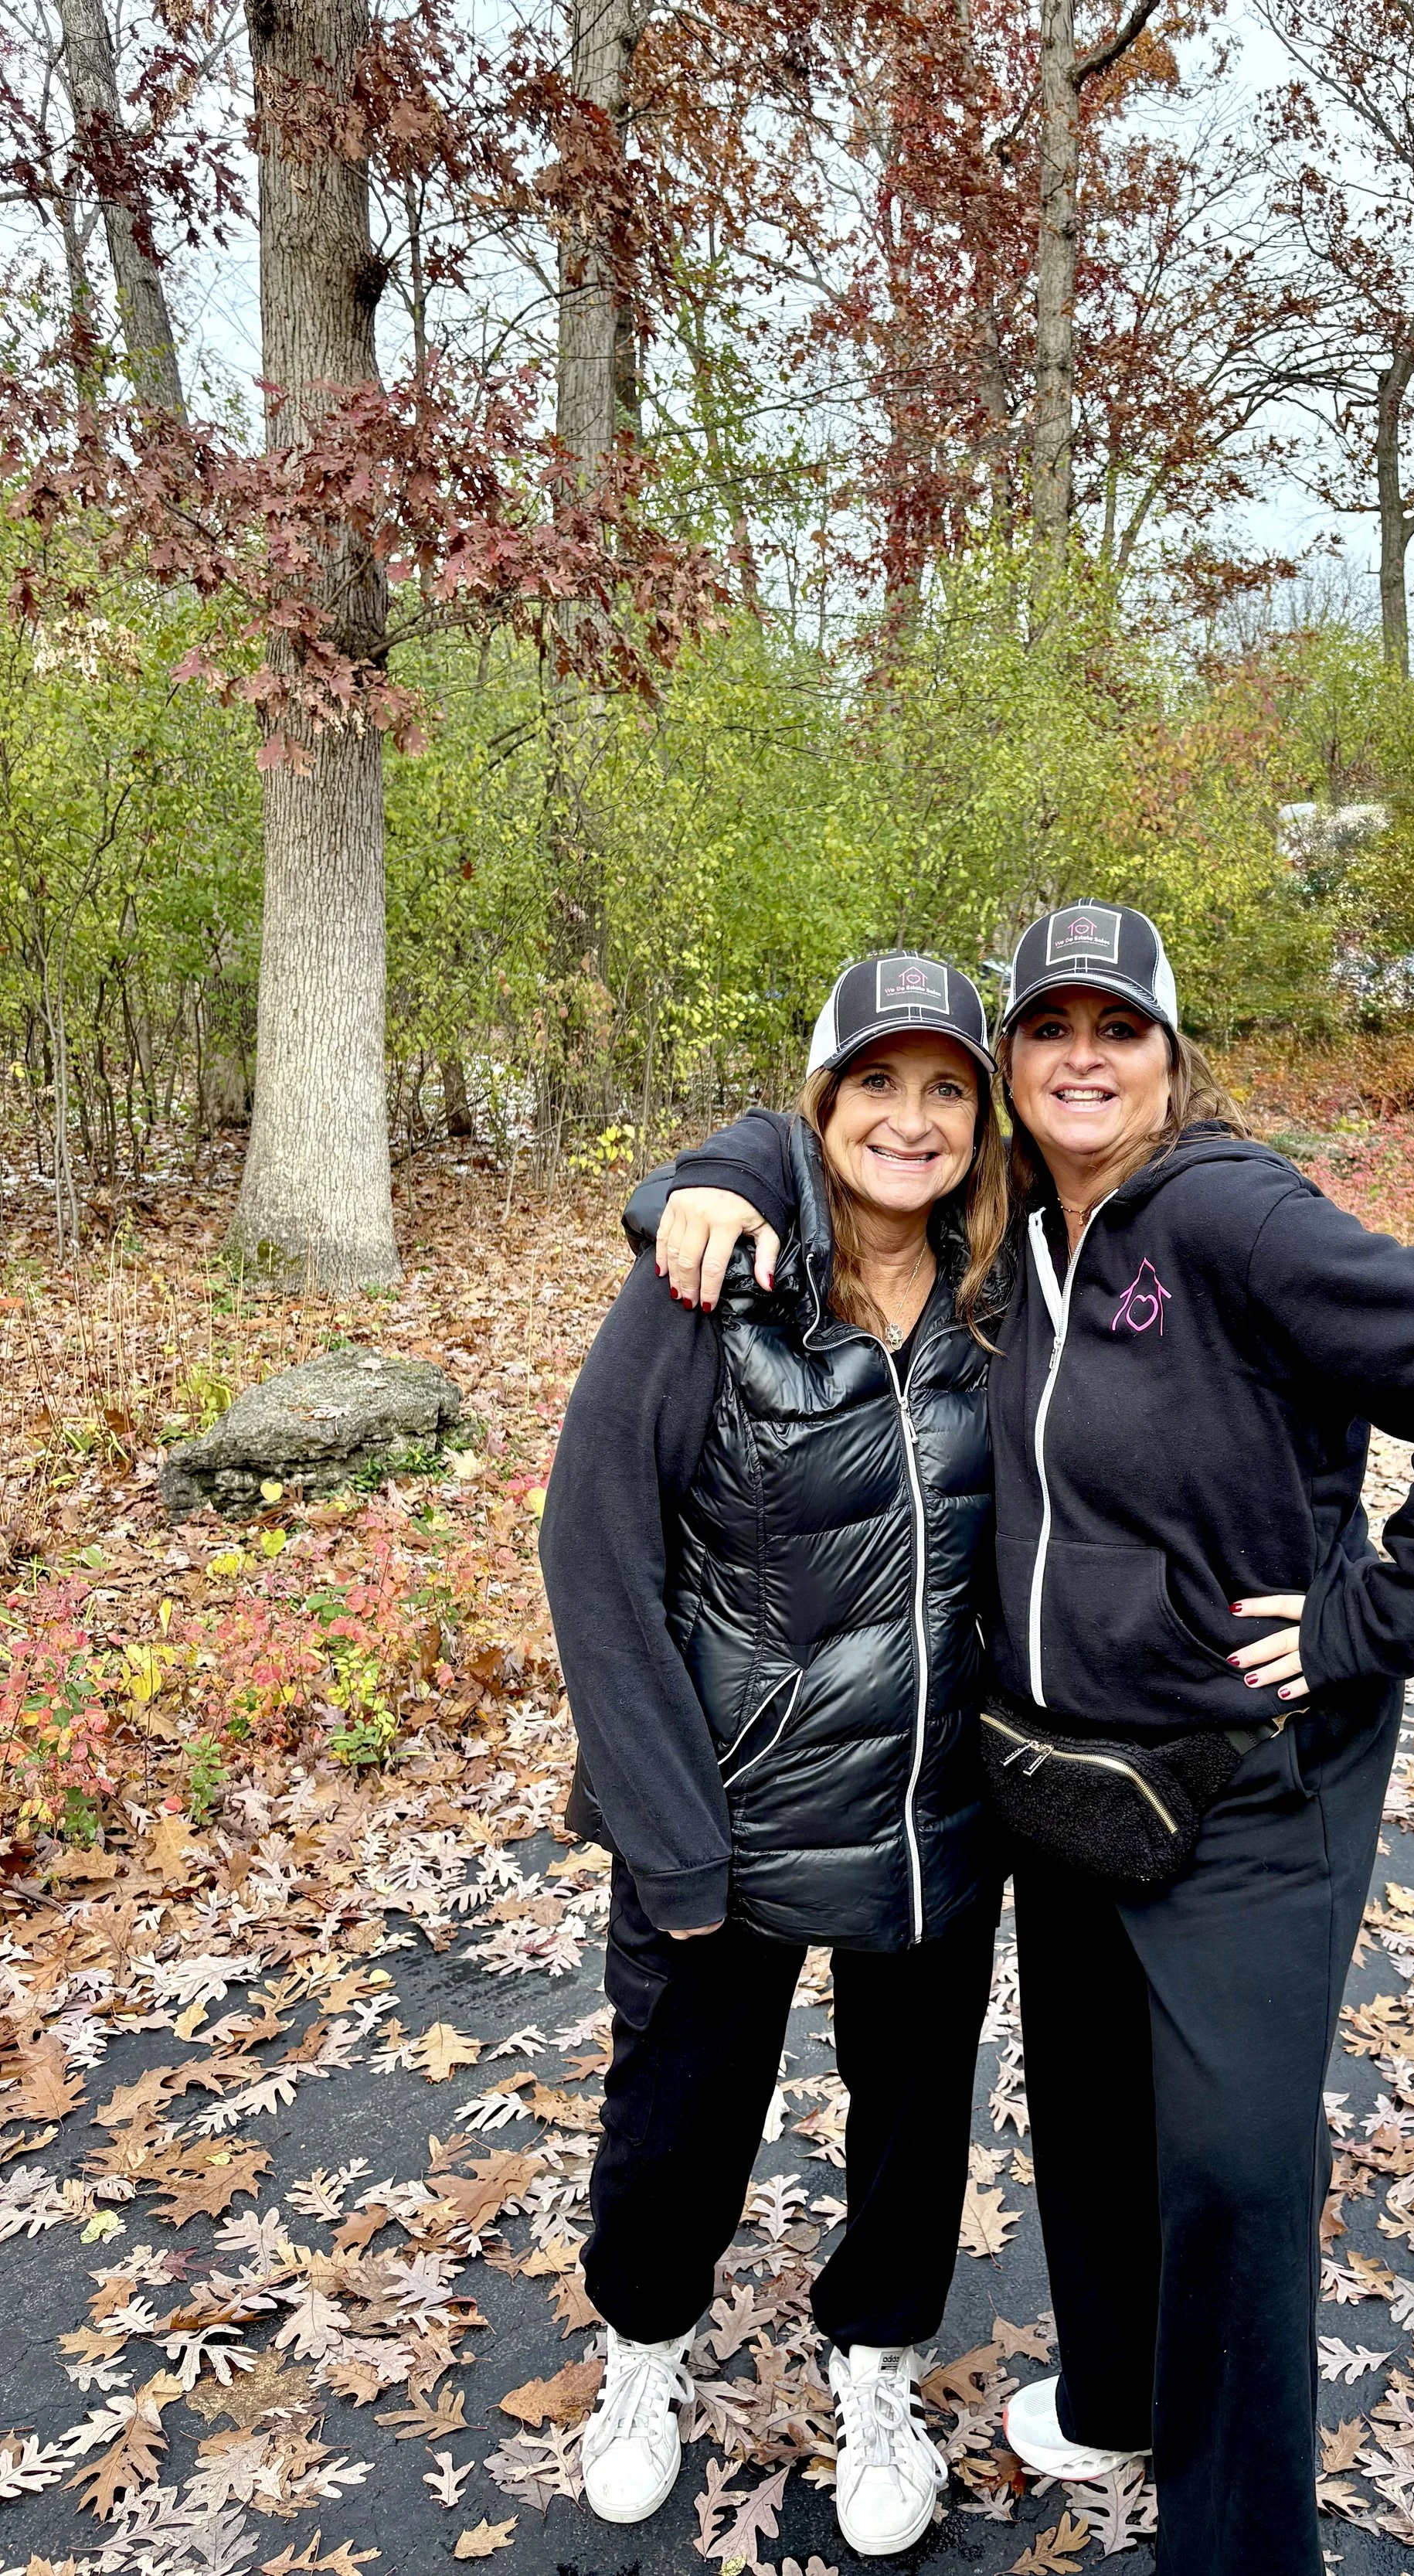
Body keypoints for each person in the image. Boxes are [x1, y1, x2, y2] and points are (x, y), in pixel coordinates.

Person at [654, 903, 1414, 2575]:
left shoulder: (1227, 1218)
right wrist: (703, 1172)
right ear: (1011, 1068)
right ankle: (1114, 2394)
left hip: (1240, 1775)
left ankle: (1235, 2547)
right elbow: (841, 1150)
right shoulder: (1021, 1239)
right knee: (1085, 2111)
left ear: (1168, 1056)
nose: (1080, 1056)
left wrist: (1372, 1621)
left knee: (1227, 2170)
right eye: (1048, 1029)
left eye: (1116, 1028)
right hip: (1064, 1772)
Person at [539, 951, 1015, 2558]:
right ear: (817, 1104)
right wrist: (667, 1835)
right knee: (671, 2125)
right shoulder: (710, 1281)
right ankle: (641, 2357)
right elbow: (590, 1548)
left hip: (928, 1815)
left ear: (983, 1114)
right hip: (725, 1820)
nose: (909, 1116)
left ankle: (875, 2371)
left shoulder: (1004, 1295)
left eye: (945, 1085)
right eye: (873, 1082)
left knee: (908, 2133)